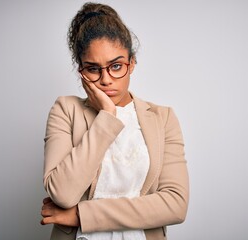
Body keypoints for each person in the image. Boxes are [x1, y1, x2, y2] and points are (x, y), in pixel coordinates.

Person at [40, 2, 189, 240]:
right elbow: (63, 194)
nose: (106, 79)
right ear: (81, 71)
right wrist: (107, 116)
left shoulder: (163, 118)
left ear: (132, 64)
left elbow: (175, 204)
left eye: (116, 66)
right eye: (93, 69)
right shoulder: (65, 110)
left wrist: (81, 215)